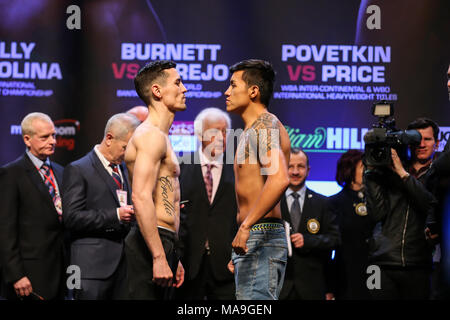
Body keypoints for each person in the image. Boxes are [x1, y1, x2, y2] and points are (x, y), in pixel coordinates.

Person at [225, 59, 291, 300]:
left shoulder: (265, 124)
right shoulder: (250, 130)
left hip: (261, 236)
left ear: (253, 91)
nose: (227, 92)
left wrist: (246, 227)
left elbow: (280, 178)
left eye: (233, 85)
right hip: (254, 239)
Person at [124, 60, 185, 299]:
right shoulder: (150, 135)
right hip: (152, 242)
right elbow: (140, 196)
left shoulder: (160, 136)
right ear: (157, 91)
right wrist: (159, 256)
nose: (184, 89)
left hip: (162, 240)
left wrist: (172, 256)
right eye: (178, 83)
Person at [61, 113, 140, 300]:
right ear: (109, 138)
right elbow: (71, 218)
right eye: (125, 147)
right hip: (91, 269)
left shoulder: (125, 169)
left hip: (125, 268)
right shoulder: (79, 169)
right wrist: (116, 215)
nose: (129, 153)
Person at [363, 117, 438, 300]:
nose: (421, 144)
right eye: (415, 139)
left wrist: (404, 175)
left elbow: (430, 205)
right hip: (380, 262)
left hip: (418, 263)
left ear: (437, 142)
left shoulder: (439, 174)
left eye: (427, 139)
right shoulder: (388, 172)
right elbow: (376, 213)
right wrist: (371, 173)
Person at [0, 112, 66, 300]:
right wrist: (16, 274)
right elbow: (5, 230)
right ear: (27, 139)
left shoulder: (61, 172)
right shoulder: (11, 174)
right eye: (45, 137)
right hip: (29, 273)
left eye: (54, 135)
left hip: (61, 270)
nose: (52, 141)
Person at [177, 107, 237, 300]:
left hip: (227, 265)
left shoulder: (239, 170)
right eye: (215, 131)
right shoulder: (179, 167)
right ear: (200, 134)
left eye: (225, 131)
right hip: (187, 264)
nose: (221, 136)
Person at [279, 148, 340, 300]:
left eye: (300, 166)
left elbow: (335, 239)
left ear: (308, 170)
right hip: (278, 287)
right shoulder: (272, 203)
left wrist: (308, 240)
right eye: (290, 166)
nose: (295, 171)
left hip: (312, 287)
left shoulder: (323, 203)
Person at [328, 149, 371, 300]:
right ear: (349, 170)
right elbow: (331, 244)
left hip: (374, 269)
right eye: (363, 167)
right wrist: (329, 287)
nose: (368, 170)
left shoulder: (377, 200)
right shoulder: (334, 203)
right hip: (345, 270)